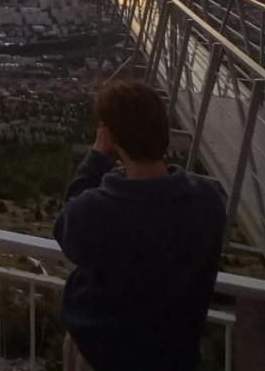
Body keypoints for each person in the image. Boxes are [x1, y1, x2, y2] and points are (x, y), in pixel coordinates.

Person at [53, 79, 227, 371]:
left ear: (110, 135)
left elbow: (68, 228)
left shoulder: (99, 209)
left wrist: (96, 157)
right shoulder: (208, 200)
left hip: (103, 355)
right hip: (175, 356)